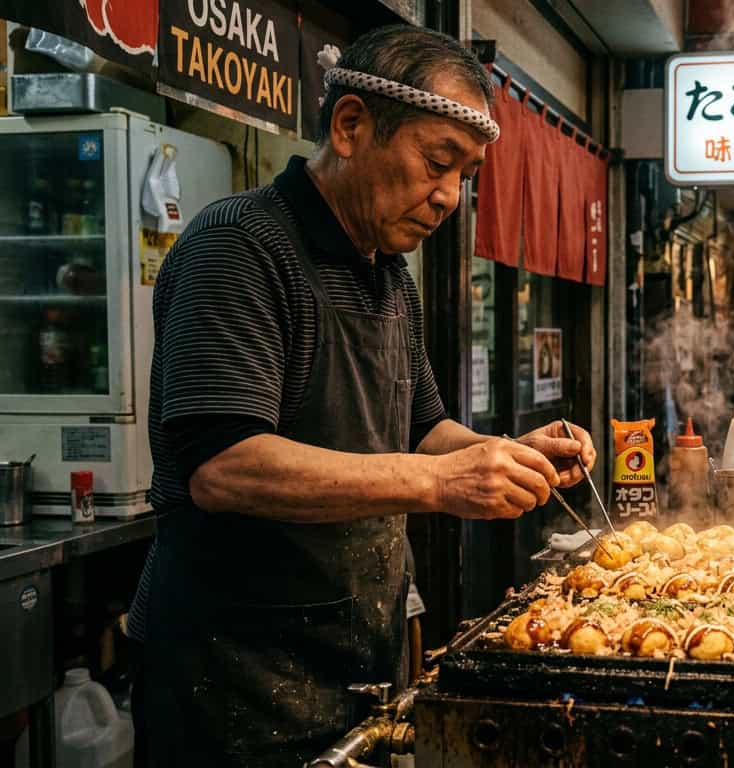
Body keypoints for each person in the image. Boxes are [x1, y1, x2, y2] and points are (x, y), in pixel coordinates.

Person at [130, 26, 597, 767]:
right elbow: (222, 467)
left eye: (465, 177)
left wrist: (503, 452)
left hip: (359, 656)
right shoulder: (238, 245)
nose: (449, 197)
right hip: (234, 678)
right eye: (437, 163)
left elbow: (423, 430)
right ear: (350, 127)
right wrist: (443, 482)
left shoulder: (388, 274)